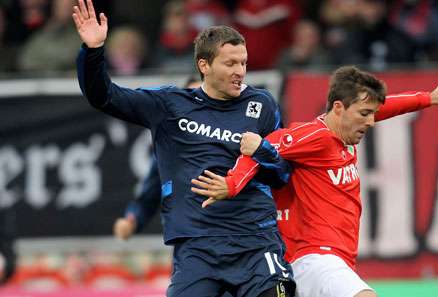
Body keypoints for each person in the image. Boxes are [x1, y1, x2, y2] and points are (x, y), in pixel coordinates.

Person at [72, 0, 295, 296]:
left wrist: (263, 152)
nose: (240, 71)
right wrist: (93, 51)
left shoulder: (262, 105)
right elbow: (103, 96)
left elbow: (282, 174)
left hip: (255, 243)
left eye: (243, 62)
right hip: (197, 249)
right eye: (230, 63)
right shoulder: (169, 105)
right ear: (204, 65)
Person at [191, 66, 438, 297]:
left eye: (372, 113)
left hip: (336, 259)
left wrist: (428, 98)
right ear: (339, 107)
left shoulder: (344, 132)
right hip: (313, 258)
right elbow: (264, 145)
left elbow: (379, 109)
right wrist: (232, 183)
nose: (371, 122)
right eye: (364, 114)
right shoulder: (317, 137)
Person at [114, 76, 202, 240]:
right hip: (189, 242)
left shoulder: (232, 142)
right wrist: (132, 220)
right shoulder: (169, 153)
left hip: (233, 239)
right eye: (193, 98)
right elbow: (148, 197)